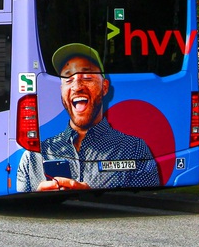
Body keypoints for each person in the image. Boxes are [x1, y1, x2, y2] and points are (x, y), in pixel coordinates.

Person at [16, 43, 159, 192]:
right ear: (61, 90)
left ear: (105, 87)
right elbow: (20, 206)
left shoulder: (134, 149)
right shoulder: (32, 158)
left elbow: (145, 201)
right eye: (68, 79)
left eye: (87, 77)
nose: (77, 87)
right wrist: (39, 200)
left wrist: (93, 197)